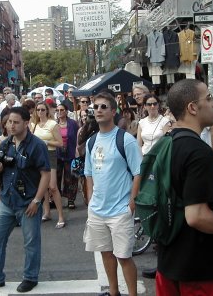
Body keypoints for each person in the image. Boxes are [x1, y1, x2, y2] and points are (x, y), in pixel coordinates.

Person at [156, 79, 213, 295]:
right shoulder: (199, 152)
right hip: (200, 271)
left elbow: (176, 196)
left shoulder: (164, 145)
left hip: (167, 265)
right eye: (209, 98)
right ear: (192, 108)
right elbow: (196, 216)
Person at [0, 107, 50, 293]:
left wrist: (37, 201)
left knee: (31, 243)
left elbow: (45, 174)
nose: (11, 125)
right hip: (7, 200)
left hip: (28, 203)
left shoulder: (37, 145)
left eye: (16, 122)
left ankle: (30, 277)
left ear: (26, 123)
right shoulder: (5, 144)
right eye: (9, 122)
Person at [83, 92, 143, 296]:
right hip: (98, 210)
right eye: (96, 107)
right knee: (106, 254)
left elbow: (138, 172)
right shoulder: (91, 142)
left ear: (113, 111)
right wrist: (90, 199)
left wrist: (131, 203)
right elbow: (88, 173)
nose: (98, 110)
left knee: (124, 256)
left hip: (120, 210)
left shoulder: (125, 140)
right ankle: (114, 292)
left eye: (103, 107)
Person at [31, 101, 65, 228]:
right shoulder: (34, 125)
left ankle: (61, 216)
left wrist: (46, 142)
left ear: (47, 111)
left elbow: (60, 143)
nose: (40, 112)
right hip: (37, 157)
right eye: (38, 110)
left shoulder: (52, 124)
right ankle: (47, 212)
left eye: (42, 110)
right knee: (42, 186)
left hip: (50, 155)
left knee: (53, 186)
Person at [56, 104, 79, 209]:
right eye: (58, 110)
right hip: (57, 154)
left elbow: (78, 137)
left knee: (71, 177)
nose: (60, 112)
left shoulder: (73, 124)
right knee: (56, 177)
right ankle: (55, 199)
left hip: (70, 153)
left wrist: (77, 151)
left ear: (66, 111)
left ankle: (71, 199)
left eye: (62, 110)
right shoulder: (54, 124)